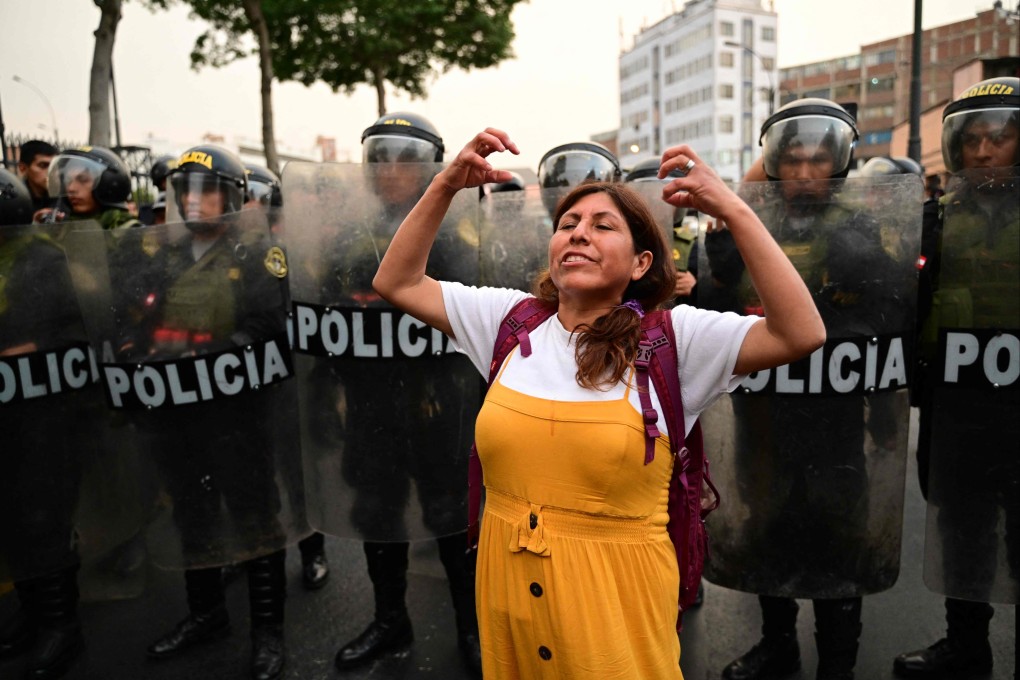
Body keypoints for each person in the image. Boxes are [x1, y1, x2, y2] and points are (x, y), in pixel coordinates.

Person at [371, 126, 824, 679]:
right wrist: (444, 185)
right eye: (568, 225)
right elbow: (397, 281)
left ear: (640, 264)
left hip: (614, 611)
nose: (579, 233)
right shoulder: (507, 322)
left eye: (602, 226)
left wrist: (734, 209)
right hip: (507, 594)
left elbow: (800, 332)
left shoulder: (676, 341)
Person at [708, 98, 913, 680]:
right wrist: (757, 177)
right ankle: (778, 646)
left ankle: (837, 664)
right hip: (764, 417)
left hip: (833, 418)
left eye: (817, 161)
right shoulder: (753, 228)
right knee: (765, 524)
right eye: (789, 160)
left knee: (836, 534)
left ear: (840, 164)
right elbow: (721, 269)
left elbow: (884, 313)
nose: (802, 173)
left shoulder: (860, 228)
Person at [329, 112, 482, 676]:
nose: (391, 170)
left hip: (438, 403)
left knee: (452, 514)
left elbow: (471, 308)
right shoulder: (348, 236)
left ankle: (471, 627)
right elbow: (324, 311)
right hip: (371, 402)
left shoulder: (453, 230)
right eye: (381, 159)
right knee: (377, 510)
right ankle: (389, 620)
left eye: (406, 159)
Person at [137, 145, 292, 680]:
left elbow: (273, 328)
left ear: (232, 195)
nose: (195, 200)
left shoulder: (258, 256)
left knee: (255, 520)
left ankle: (268, 632)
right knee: (191, 514)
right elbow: (136, 318)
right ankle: (206, 615)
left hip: (236, 418)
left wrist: (218, 354)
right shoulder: (163, 255)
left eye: (208, 189)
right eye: (187, 190)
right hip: (177, 415)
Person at [892, 75, 1019, 679]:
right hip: (957, 405)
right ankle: (966, 645)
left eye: (1001, 138)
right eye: (971, 140)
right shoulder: (935, 221)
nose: (984, 151)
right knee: (960, 524)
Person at [0, 167, 88, 679]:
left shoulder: (40, 258)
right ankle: (31, 615)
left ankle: (61, 626)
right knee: (12, 519)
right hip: (9, 417)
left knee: (42, 518)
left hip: (44, 415)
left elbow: (72, 329)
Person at [242, 161, 331, 591]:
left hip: (288, 385)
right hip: (245, 389)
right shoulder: (238, 253)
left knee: (296, 474)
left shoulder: (293, 252)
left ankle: (312, 550)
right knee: (255, 482)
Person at [625, 156, 699, 306]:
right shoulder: (621, 240)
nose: (657, 205)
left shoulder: (689, 246)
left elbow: (719, 290)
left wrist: (695, 286)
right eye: (649, 198)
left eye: (664, 199)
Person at [42, 146, 137, 230]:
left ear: (107, 182)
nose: (71, 189)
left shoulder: (131, 233)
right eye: (68, 181)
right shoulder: (60, 231)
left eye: (82, 179)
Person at [16, 140, 57, 217]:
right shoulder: (14, 201)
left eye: (54, 166)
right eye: (43, 165)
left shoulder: (62, 197)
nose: (51, 172)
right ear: (23, 169)